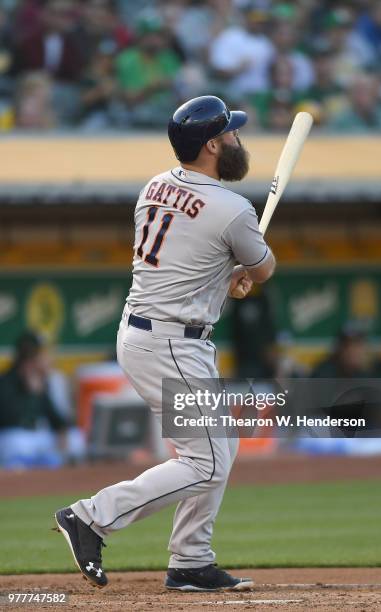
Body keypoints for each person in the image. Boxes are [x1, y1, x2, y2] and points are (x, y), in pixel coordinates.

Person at [54, 95, 275, 591]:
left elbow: (191, 260)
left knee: (216, 449)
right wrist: (242, 273)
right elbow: (264, 268)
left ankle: (191, 561)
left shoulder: (154, 185)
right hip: (172, 343)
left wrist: (226, 278)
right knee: (207, 459)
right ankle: (91, 517)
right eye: (232, 134)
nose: (239, 139)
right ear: (213, 144)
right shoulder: (232, 209)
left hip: (148, 333)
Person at [0, 332, 70, 468]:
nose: (47, 358)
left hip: (38, 436)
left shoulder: (44, 380)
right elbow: (7, 418)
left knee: (75, 439)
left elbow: (54, 416)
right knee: (19, 444)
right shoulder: (7, 380)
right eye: (41, 355)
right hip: (14, 436)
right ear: (30, 358)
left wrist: (62, 428)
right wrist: (28, 392)